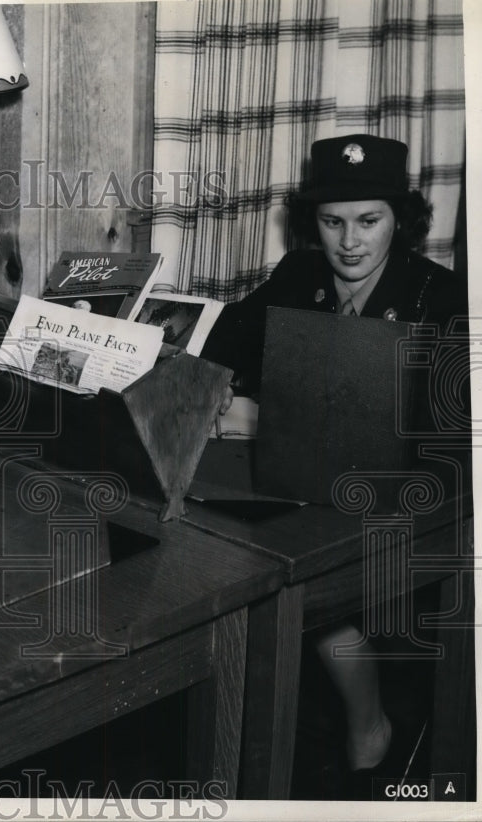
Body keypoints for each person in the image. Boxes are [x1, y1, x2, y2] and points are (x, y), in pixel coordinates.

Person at [201, 135, 468, 786]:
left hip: (408, 498)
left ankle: (366, 724)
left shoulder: (444, 300)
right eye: (332, 222)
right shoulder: (299, 275)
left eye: (369, 222)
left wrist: (266, 415)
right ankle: (243, 745)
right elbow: (226, 342)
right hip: (308, 482)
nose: (349, 242)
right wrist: (224, 392)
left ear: (399, 222)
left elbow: (448, 445)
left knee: (298, 584)